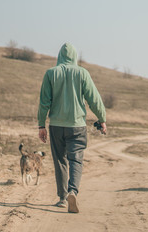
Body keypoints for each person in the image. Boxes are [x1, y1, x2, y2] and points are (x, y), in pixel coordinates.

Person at [37, 42, 107, 213]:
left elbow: (44, 102)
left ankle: (62, 198)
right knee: (76, 160)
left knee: (60, 160)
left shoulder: (50, 74)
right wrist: (102, 118)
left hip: (56, 126)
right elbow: (94, 98)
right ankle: (72, 191)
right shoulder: (82, 73)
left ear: (59, 56)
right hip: (77, 126)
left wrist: (41, 125)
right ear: (75, 57)